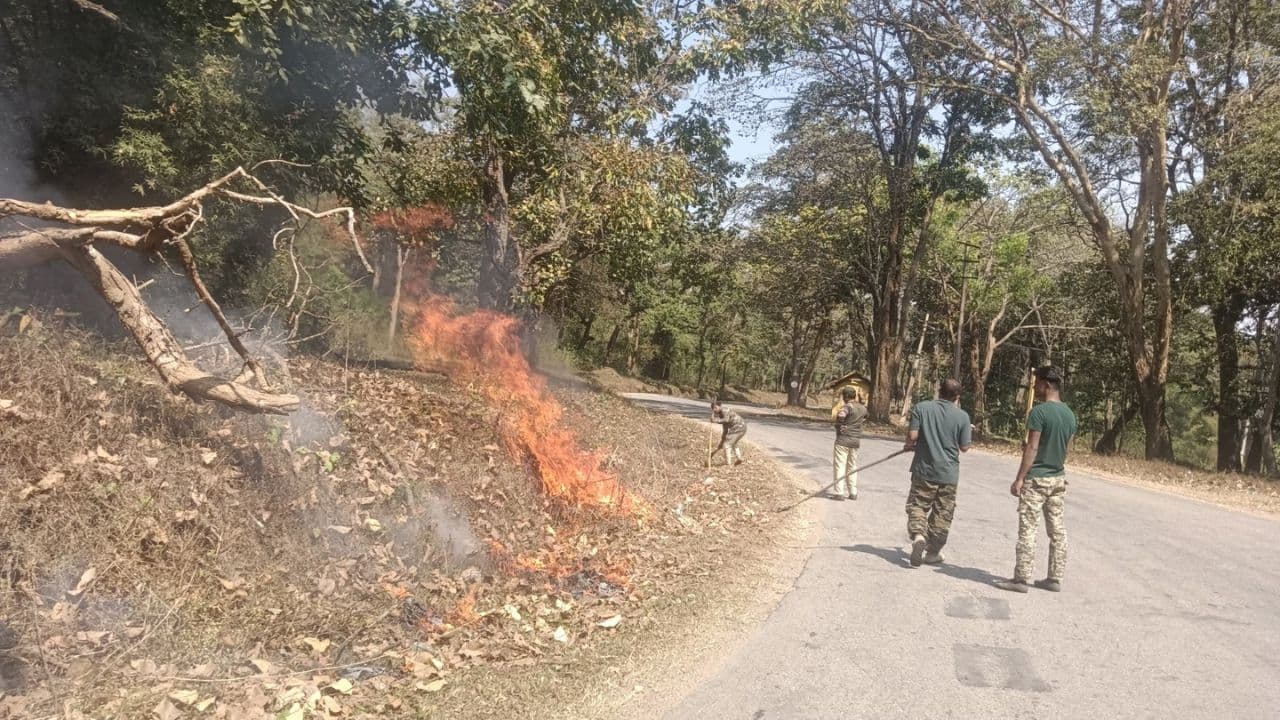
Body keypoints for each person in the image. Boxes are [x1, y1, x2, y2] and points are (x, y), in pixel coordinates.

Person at [996, 366, 1077, 593]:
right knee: (1058, 531)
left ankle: (1021, 579)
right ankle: (1054, 578)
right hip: (1058, 478)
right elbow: (1066, 447)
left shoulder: (1039, 412)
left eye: (1037, 382)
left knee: (1028, 530)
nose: (1034, 387)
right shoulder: (1070, 415)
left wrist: (1020, 478)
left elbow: (1032, 447)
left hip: (1037, 479)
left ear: (1047, 384)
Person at [903, 379, 972, 567]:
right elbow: (964, 446)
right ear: (957, 397)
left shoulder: (922, 408)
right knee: (943, 513)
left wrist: (910, 445)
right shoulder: (963, 416)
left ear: (939, 391)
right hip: (948, 473)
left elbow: (913, 436)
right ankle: (933, 553)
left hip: (924, 469)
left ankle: (918, 535)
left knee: (918, 505)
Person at [832, 387, 868, 500]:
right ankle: (853, 492)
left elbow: (841, 415)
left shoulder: (848, 406)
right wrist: (857, 424)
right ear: (854, 396)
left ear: (845, 396)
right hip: (855, 441)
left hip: (843, 440)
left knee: (840, 466)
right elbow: (867, 416)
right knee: (852, 467)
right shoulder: (862, 408)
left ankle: (839, 493)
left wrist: (841, 424)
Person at [710, 400, 747, 466]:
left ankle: (727, 463)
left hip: (738, 427)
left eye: (715, 407)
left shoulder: (725, 410)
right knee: (733, 443)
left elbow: (726, 420)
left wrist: (715, 420)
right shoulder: (721, 415)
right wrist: (721, 442)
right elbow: (725, 430)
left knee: (727, 445)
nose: (714, 409)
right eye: (713, 408)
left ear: (720, 406)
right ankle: (739, 458)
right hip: (741, 428)